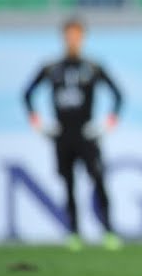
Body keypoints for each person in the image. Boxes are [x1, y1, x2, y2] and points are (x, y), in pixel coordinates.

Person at [22, 17, 125, 252]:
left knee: (98, 179)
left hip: (87, 133)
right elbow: (27, 94)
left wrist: (106, 124)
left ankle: (108, 230)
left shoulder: (92, 67)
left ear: (83, 38)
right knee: (68, 183)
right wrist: (38, 123)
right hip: (62, 134)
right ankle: (74, 232)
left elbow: (118, 95)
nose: (72, 40)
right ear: (63, 37)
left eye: (76, 35)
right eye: (69, 35)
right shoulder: (51, 68)